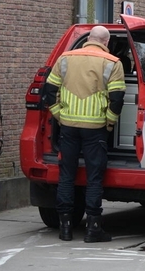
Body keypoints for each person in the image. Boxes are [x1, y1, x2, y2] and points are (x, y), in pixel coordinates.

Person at [42, 25, 126, 242]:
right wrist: (109, 122)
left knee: (67, 176)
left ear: (89, 39)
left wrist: (59, 115)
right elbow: (117, 99)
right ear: (106, 42)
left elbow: (49, 91)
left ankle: (65, 228)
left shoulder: (65, 58)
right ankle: (93, 229)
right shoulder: (113, 63)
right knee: (94, 178)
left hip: (68, 126)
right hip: (96, 129)